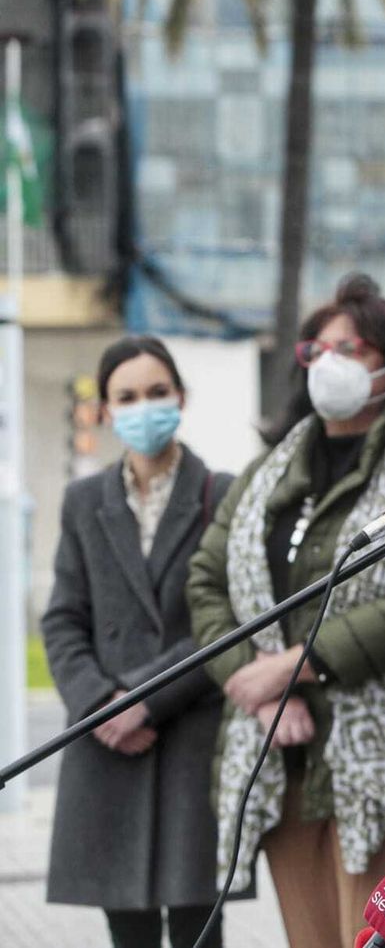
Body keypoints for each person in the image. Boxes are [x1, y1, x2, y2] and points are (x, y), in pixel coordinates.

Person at [187, 274, 385, 948]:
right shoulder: (270, 466)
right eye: (317, 349)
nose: (328, 363)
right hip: (280, 754)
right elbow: (207, 581)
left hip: (375, 754)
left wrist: (301, 667)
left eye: (350, 348)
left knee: (379, 937)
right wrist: (261, 680)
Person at [41, 336, 232, 948]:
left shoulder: (220, 494)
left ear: (181, 397)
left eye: (157, 392)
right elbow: (63, 618)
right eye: (126, 396)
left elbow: (228, 621)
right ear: (104, 409)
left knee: (201, 923)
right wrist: (101, 705)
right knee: (127, 930)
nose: (143, 407)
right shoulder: (84, 500)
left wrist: (147, 701)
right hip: (105, 739)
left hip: (190, 734)